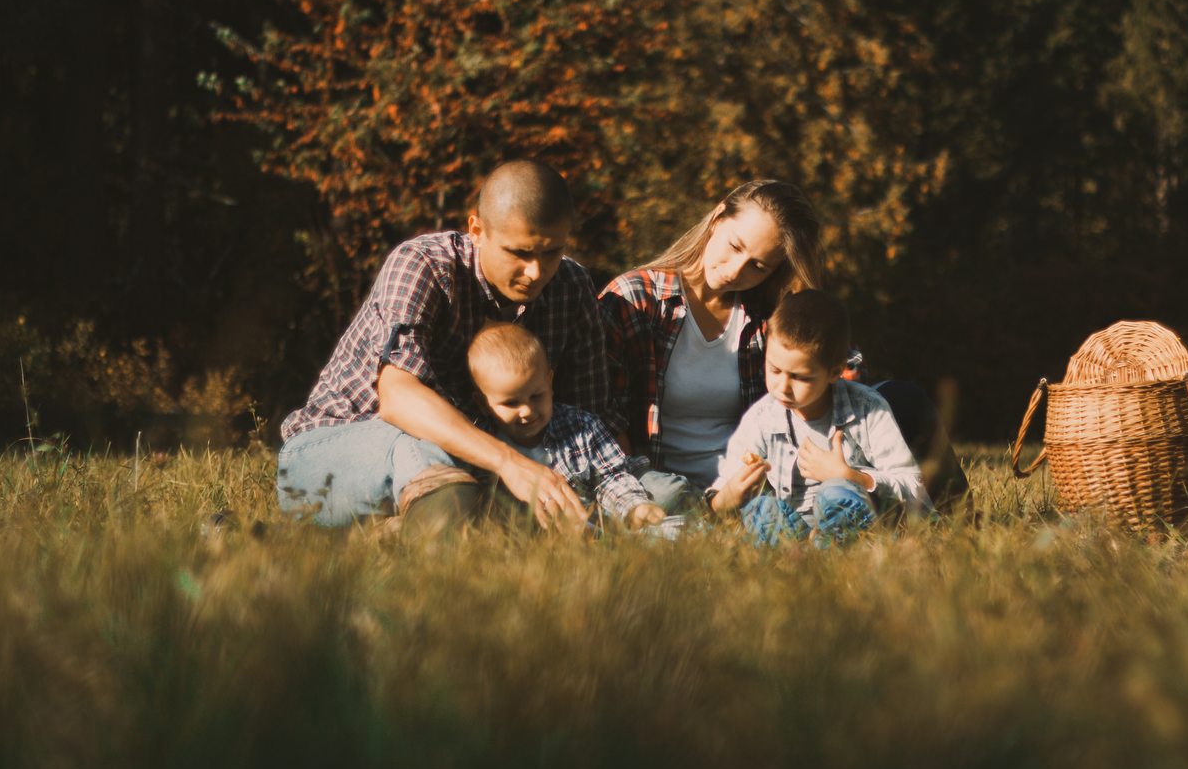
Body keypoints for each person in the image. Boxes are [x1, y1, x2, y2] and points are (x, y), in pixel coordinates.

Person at [276, 160, 608, 533]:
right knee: (420, 443)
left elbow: (585, 425)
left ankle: (386, 536)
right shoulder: (423, 265)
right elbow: (398, 397)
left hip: (467, 470)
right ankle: (443, 520)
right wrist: (508, 463)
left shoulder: (573, 288)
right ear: (477, 230)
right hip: (331, 454)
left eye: (551, 252)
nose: (536, 271)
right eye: (519, 253)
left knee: (477, 477)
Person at [599, 181, 823, 513]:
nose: (735, 271)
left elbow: (842, 366)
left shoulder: (765, 315)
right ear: (718, 218)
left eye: (758, 266)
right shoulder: (636, 298)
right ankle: (704, 515)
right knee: (664, 496)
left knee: (900, 398)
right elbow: (604, 415)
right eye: (735, 247)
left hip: (750, 483)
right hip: (658, 485)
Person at [708, 290, 931, 546]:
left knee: (835, 490)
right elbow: (728, 478)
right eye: (774, 369)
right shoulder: (762, 418)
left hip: (853, 516)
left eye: (800, 377)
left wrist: (851, 476)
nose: (783, 387)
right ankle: (798, 552)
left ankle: (839, 543)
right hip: (794, 523)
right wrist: (722, 498)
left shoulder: (869, 410)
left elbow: (915, 489)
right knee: (761, 509)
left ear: (835, 371)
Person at [466, 322, 665, 530]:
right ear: (483, 403)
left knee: (668, 490)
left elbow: (610, 477)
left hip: (590, 528)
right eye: (511, 403)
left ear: (550, 383)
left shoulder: (580, 428)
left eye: (536, 396)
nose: (527, 411)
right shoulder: (480, 444)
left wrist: (633, 506)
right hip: (520, 540)